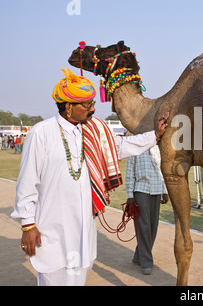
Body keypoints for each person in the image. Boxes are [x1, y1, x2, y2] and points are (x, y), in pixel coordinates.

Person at [11, 68, 169, 286]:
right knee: (53, 277)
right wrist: (28, 225)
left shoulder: (94, 131)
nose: (93, 108)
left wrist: (154, 135)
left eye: (93, 102)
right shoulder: (42, 133)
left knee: (78, 278)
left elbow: (121, 146)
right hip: (52, 226)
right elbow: (27, 182)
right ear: (68, 107)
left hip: (83, 225)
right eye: (87, 104)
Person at [126, 145, 168, 275]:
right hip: (141, 190)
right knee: (143, 227)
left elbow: (161, 171)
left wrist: (164, 190)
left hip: (156, 190)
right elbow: (129, 173)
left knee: (152, 227)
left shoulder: (157, 148)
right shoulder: (134, 148)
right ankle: (146, 262)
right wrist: (130, 195)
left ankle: (138, 256)